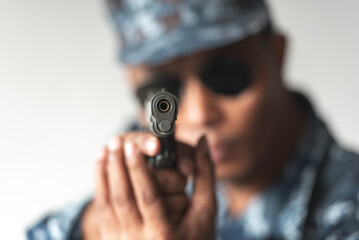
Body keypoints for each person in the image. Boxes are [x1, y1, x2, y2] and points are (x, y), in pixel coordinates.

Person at [27, 0, 359, 239]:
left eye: (227, 74)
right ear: (133, 83)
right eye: (163, 91)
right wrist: (98, 226)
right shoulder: (155, 164)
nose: (200, 114)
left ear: (277, 55)